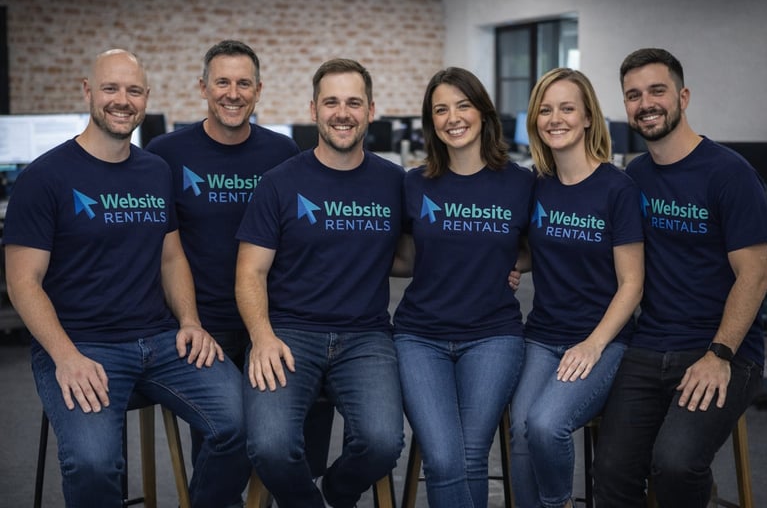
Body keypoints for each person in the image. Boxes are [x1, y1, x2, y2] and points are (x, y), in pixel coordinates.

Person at [2, 49, 250, 507]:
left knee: (243, 424)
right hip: (81, 344)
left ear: (146, 98)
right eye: (111, 89)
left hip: (160, 340)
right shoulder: (45, 177)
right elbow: (23, 282)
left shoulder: (155, 170)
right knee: (96, 465)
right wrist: (65, 356)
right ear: (88, 92)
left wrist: (191, 322)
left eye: (133, 90)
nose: (122, 100)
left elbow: (171, 258)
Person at [593, 48, 767, 508]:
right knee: (610, 468)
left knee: (674, 462)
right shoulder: (636, 176)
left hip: (723, 348)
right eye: (633, 95)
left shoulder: (730, 174)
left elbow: (756, 274)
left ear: (683, 96)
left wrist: (719, 354)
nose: (645, 103)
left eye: (657, 90)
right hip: (650, 345)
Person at [235, 58, 405, 508]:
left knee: (384, 442)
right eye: (331, 102)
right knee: (270, 446)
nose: (342, 112)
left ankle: (336, 490)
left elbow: (412, 255)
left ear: (371, 110)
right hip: (288, 333)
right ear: (313, 110)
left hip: (366, 336)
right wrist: (262, 336)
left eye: (353, 102)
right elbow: (250, 271)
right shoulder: (279, 183)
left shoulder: (395, 182)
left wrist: (497, 264)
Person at [391, 67, 533, 508]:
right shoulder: (413, 183)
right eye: (440, 109)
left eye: (463, 105)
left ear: (483, 112)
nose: (453, 117)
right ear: (430, 121)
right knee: (445, 459)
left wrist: (517, 262)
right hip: (419, 337)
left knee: (471, 456)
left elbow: (537, 248)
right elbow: (399, 256)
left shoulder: (522, 182)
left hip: (493, 335)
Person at [508, 67, 644, 508]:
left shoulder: (617, 188)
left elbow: (632, 283)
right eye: (545, 110)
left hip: (602, 340)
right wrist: (509, 265)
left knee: (547, 425)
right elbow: (538, 251)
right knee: (521, 430)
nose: (555, 118)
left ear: (588, 117)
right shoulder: (539, 185)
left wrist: (593, 345)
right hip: (543, 334)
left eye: (567, 108)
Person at [145, 39, 299, 368]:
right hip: (202, 324)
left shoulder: (283, 153)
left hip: (274, 318)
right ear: (203, 88)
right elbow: (156, 244)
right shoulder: (165, 154)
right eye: (222, 82)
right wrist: (188, 321)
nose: (233, 94)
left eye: (243, 83)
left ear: (258, 90)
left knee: (285, 415)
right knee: (224, 417)